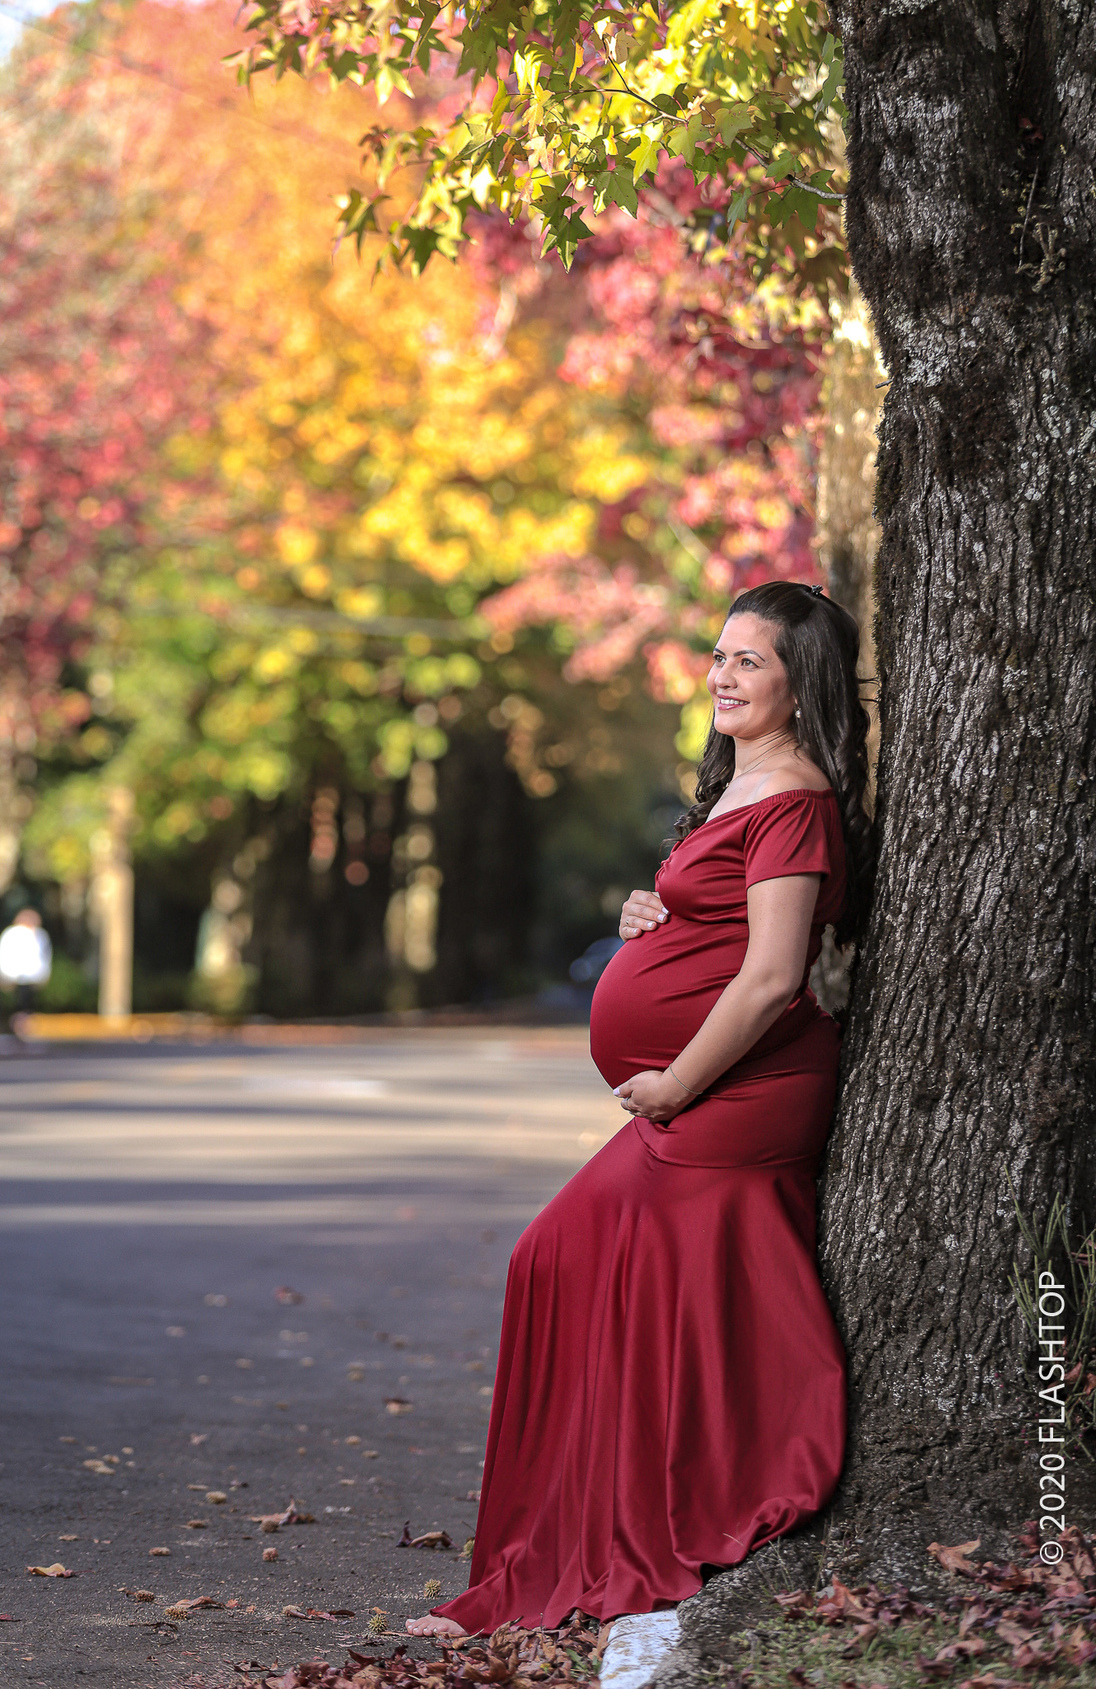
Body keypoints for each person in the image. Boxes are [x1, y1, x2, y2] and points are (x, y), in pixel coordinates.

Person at [407, 580, 875, 1639]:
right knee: (561, 1263)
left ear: (800, 683)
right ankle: (556, 1544)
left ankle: (644, 1521)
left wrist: (674, 1083)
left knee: (578, 1261)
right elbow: (710, 923)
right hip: (698, 1094)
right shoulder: (737, 789)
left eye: (750, 661)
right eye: (719, 655)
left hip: (740, 1095)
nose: (723, 675)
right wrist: (646, 914)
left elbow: (771, 980)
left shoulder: (796, 798)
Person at [0, 907, 53, 1011]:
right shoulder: (11, 933)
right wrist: (3, 974)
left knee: (30, 1004)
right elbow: (3, 954)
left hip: (33, 977)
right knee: (18, 1003)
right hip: (14, 977)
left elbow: (45, 956)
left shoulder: (40, 935)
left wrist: (44, 974)